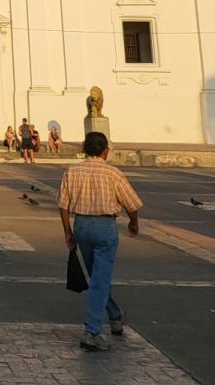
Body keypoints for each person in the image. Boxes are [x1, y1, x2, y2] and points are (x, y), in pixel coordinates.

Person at [57, 131, 143, 352]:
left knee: (97, 277)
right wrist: (133, 223)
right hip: (104, 227)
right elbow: (132, 204)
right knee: (100, 279)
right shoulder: (113, 173)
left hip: (81, 226)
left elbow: (63, 205)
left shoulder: (72, 171)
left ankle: (115, 316)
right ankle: (91, 331)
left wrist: (67, 232)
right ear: (105, 151)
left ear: (85, 149)